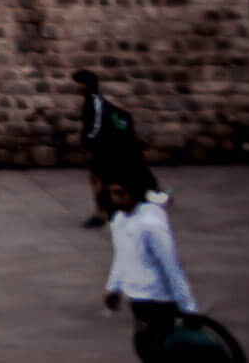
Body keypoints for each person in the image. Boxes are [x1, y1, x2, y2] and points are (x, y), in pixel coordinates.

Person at [103, 179, 197, 359]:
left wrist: (188, 307)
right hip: (137, 298)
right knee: (144, 348)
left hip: (158, 300)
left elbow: (171, 267)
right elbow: (121, 255)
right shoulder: (119, 219)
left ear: (134, 193)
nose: (116, 198)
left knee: (157, 351)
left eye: (120, 193)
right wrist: (113, 287)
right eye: (113, 193)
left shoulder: (151, 224)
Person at [77, 71, 157, 227]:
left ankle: (104, 213)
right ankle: (104, 212)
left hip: (105, 148)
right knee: (98, 180)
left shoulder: (95, 102)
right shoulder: (91, 102)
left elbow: (96, 127)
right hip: (102, 148)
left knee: (104, 180)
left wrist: (89, 142)